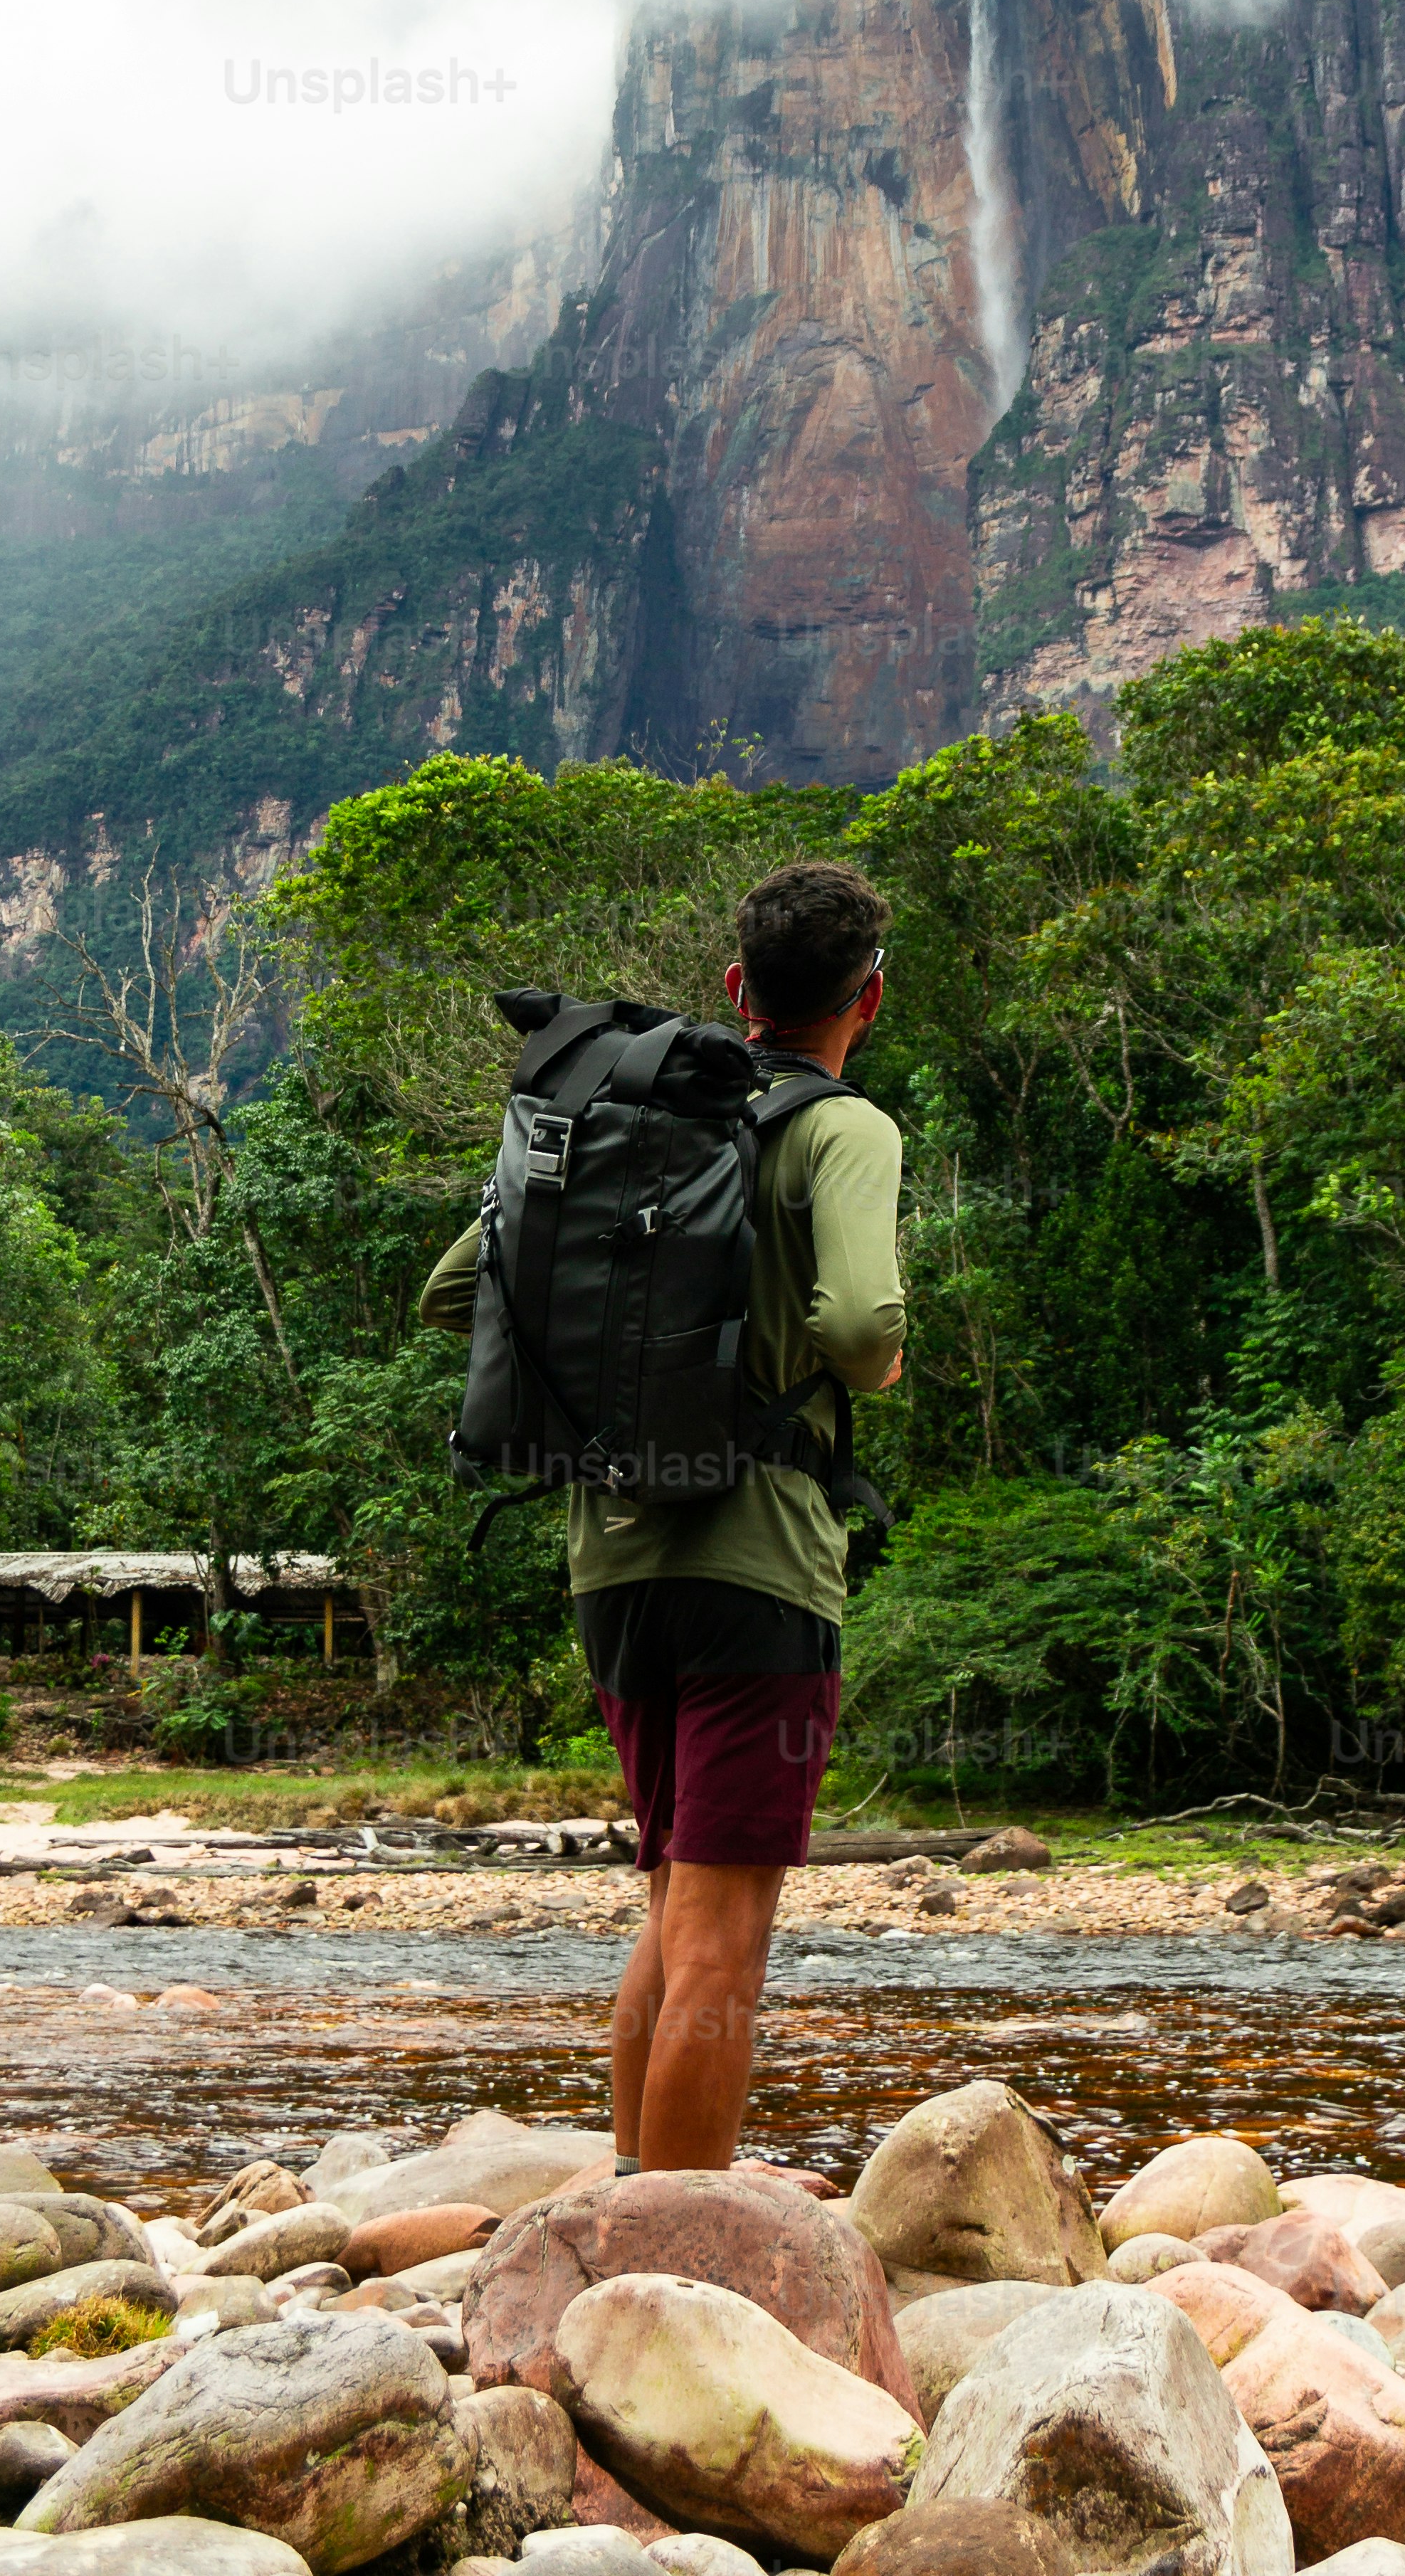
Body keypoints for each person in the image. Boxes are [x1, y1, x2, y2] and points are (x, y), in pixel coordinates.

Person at [417, 859, 905, 2174]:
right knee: (724, 1934)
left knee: (673, 1903)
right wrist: (869, 1360)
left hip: (613, 1563)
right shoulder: (844, 1129)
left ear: (738, 987)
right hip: (762, 1568)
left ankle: (634, 2208)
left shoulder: (622, 1112)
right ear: (870, 996)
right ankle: (676, 2265)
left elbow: (453, 1295)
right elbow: (860, 1327)